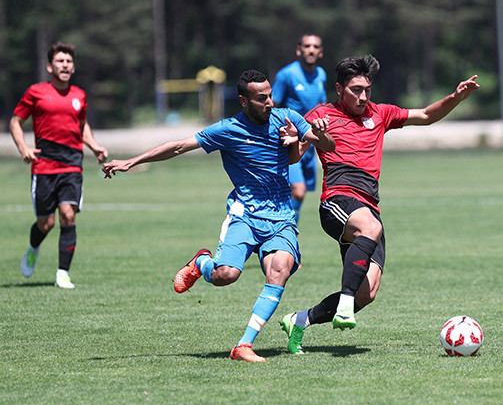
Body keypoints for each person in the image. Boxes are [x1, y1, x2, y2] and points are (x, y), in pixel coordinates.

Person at [102, 70, 334, 362]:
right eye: (261, 98)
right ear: (243, 101)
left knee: (280, 270)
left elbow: (327, 145)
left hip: (281, 217)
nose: (269, 103)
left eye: (270, 96)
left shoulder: (286, 118)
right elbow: (178, 146)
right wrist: (132, 161)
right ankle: (201, 263)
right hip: (246, 215)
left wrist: (316, 134)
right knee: (226, 275)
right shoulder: (228, 129)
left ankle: (244, 345)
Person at [279, 54, 479, 354]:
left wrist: (456, 97)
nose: (363, 97)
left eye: (367, 90)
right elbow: (294, 157)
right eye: (356, 90)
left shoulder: (380, 113)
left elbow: (426, 115)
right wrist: (299, 139)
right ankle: (345, 304)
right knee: (370, 230)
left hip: (368, 205)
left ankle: (300, 320)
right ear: (339, 89)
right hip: (337, 199)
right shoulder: (321, 115)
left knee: (367, 293)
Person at [10, 42, 108, 289]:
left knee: (68, 215)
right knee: (46, 224)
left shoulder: (79, 95)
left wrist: (94, 146)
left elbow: (82, 125)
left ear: (73, 67)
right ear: (49, 66)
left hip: (72, 164)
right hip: (43, 165)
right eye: (60, 61)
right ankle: (33, 247)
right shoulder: (36, 92)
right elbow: (15, 122)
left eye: (69, 61)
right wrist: (24, 148)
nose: (65, 65)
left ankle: (63, 273)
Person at [272, 33, 327, 223]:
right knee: (298, 190)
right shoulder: (286, 75)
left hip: (310, 142)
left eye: (315, 47)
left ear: (321, 52)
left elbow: (322, 106)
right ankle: (286, 232)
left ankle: (283, 228)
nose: (311, 50)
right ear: (298, 50)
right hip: (290, 142)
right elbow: (271, 107)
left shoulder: (321, 75)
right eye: (307, 46)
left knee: (297, 193)